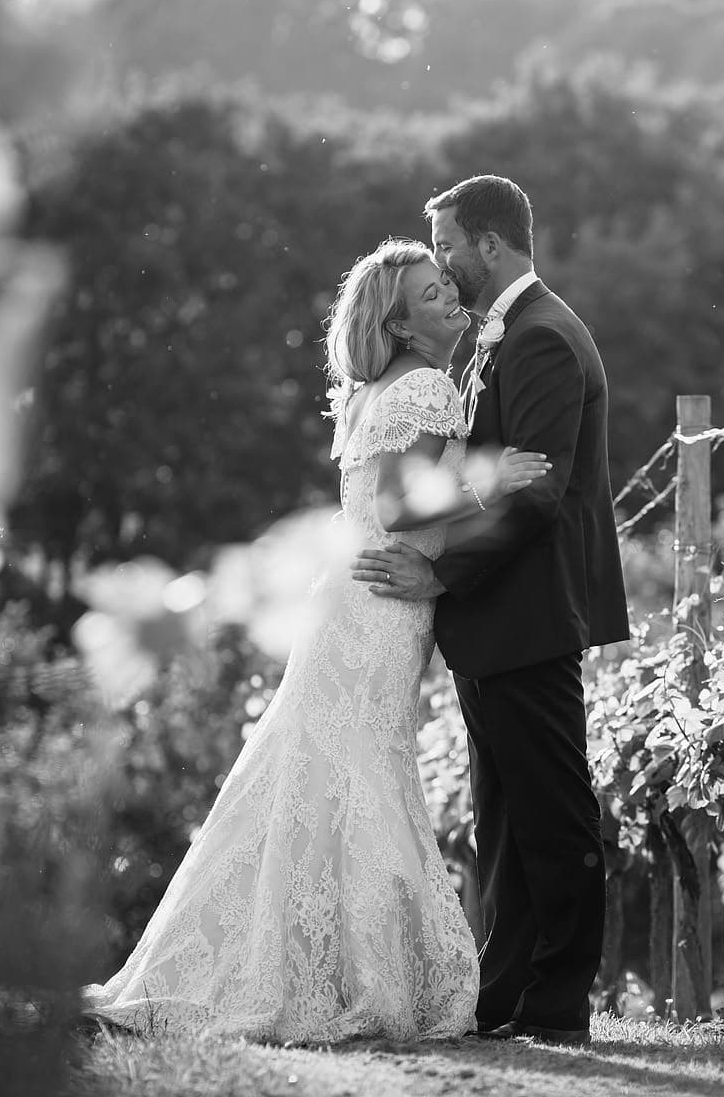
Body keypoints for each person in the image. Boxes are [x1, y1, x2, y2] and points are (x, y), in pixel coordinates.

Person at [83, 239, 549, 1041]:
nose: (450, 302)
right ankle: (347, 976)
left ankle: (297, 964)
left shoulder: (378, 390)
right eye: (432, 295)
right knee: (360, 768)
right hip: (379, 606)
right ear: (399, 324)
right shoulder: (429, 386)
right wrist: (489, 482)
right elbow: (403, 511)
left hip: (350, 602)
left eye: (448, 288)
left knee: (318, 771)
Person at [354, 175, 630, 1046]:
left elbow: (538, 497)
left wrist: (441, 579)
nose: (439, 262)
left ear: (487, 244)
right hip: (497, 622)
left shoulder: (543, 337)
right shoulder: (504, 336)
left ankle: (557, 1003)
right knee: (502, 823)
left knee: (551, 815)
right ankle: (505, 995)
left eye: (444, 247)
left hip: (528, 613)